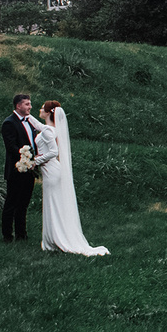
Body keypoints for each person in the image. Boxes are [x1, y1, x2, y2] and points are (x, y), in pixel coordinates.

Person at [33, 98, 109, 257]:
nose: (39, 110)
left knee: (53, 204)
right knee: (52, 203)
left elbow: (53, 152)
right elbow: (39, 127)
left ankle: (56, 238)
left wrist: (35, 161)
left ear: (48, 112)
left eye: (42, 108)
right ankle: (52, 238)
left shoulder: (48, 130)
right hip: (51, 170)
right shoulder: (50, 128)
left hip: (51, 170)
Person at [0, 91, 41, 242]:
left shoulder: (30, 121)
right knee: (11, 203)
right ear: (18, 106)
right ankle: (7, 236)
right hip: (16, 169)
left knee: (23, 203)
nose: (30, 106)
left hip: (30, 170)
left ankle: (21, 234)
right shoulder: (9, 123)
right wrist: (25, 160)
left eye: (29, 103)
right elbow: (11, 147)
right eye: (27, 104)